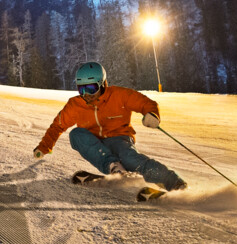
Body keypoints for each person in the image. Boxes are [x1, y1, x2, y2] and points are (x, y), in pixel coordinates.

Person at [33, 61, 187, 191]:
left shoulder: (119, 95)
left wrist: (152, 114)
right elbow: (57, 126)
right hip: (95, 144)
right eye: (82, 89)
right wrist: (44, 147)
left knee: (131, 159)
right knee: (76, 135)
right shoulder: (75, 105)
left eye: (91, 88)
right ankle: (115, 168)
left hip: (120, 139)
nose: (87, 94)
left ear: (103, 84)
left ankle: (175, 183)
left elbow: (146, 103)